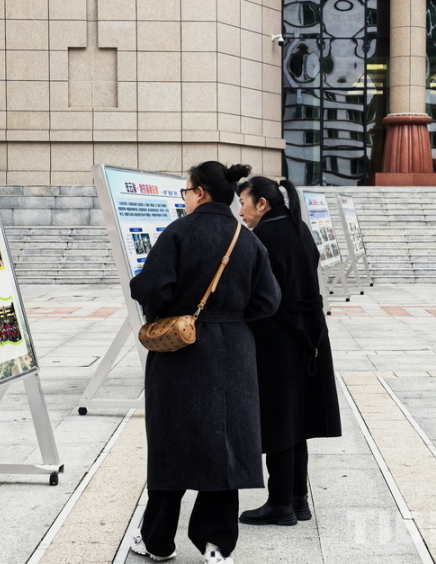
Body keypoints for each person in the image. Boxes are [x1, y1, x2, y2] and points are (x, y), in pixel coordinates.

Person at [128, 162, 281, 564]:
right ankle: (216, 546)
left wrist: (166, 310)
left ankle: (158, 541)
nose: (185, 198)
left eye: (186, 191)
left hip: (181, 349)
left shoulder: (179, 232)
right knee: (225, 445)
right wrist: (232, 317)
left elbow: (151, 287)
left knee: (171, 444)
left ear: (199, 193)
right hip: (234, 351)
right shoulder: (247, 239)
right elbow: (269, 300)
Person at [236, 176, 342, 527]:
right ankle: (298, 500)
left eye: (244, 203)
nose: (241, 212)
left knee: (280, 419)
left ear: (262, 204)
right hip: (310, 334)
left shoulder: (263, 237)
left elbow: (255, 292)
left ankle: (280, 503)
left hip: (279, 335)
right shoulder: (298, 228)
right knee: (297, 418)